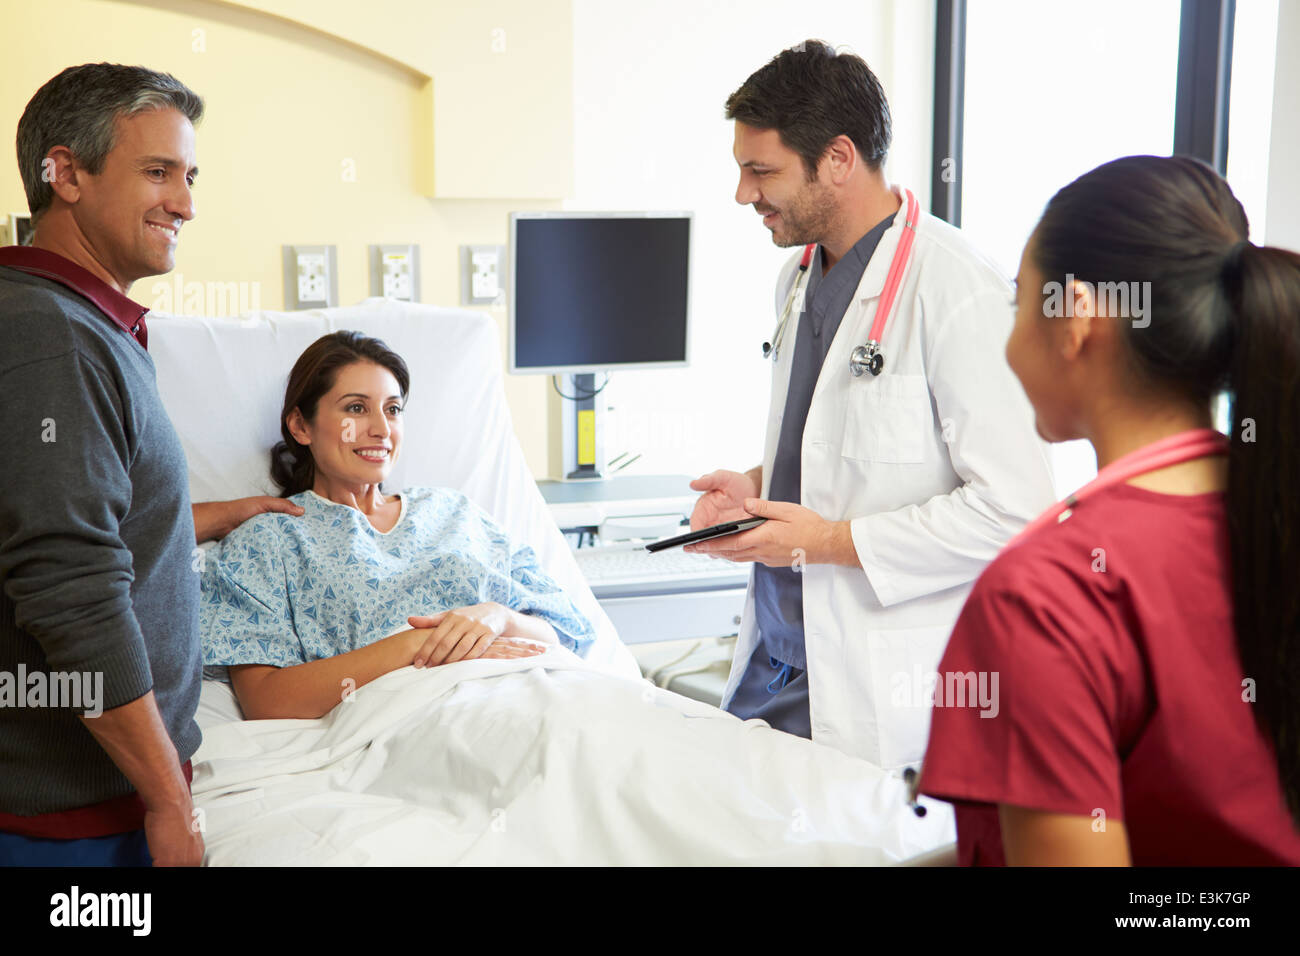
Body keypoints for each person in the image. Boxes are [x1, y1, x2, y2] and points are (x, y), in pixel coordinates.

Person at [919, 155, 1300, 865]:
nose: (1009, 341)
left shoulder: (1047, 596)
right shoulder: (1273, 509)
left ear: (1075, 322)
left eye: (1019, 304)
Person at [686, 41, 1056, 768]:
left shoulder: (959, 293)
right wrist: (760, 487)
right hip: (775, 666)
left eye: (761, 171)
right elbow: (844, 446)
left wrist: (826, 542)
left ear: (838, 159)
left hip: (874, 683)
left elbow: (1016, 509)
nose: (742, 194)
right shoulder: (796, 280)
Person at [0, 64, 300, 867]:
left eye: (190, 176)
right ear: (62, 173)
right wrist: (169, 803)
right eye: (158, 172)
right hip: (67, 821)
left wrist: (216, 515)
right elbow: (69, 586)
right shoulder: (49, 337)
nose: (186, 203)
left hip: (106, 795)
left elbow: (85, 517)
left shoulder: (79, 326)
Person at [199, 332, 594, 720]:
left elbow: (568, 633)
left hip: (540, 692)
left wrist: (500, 617)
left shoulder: (454, 511)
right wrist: (415, 646)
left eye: (392, 409)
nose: (382, 429)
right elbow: (268, 701)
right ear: (301, 427)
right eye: (356, 409)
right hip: (429, 720)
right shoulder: (269, 539)